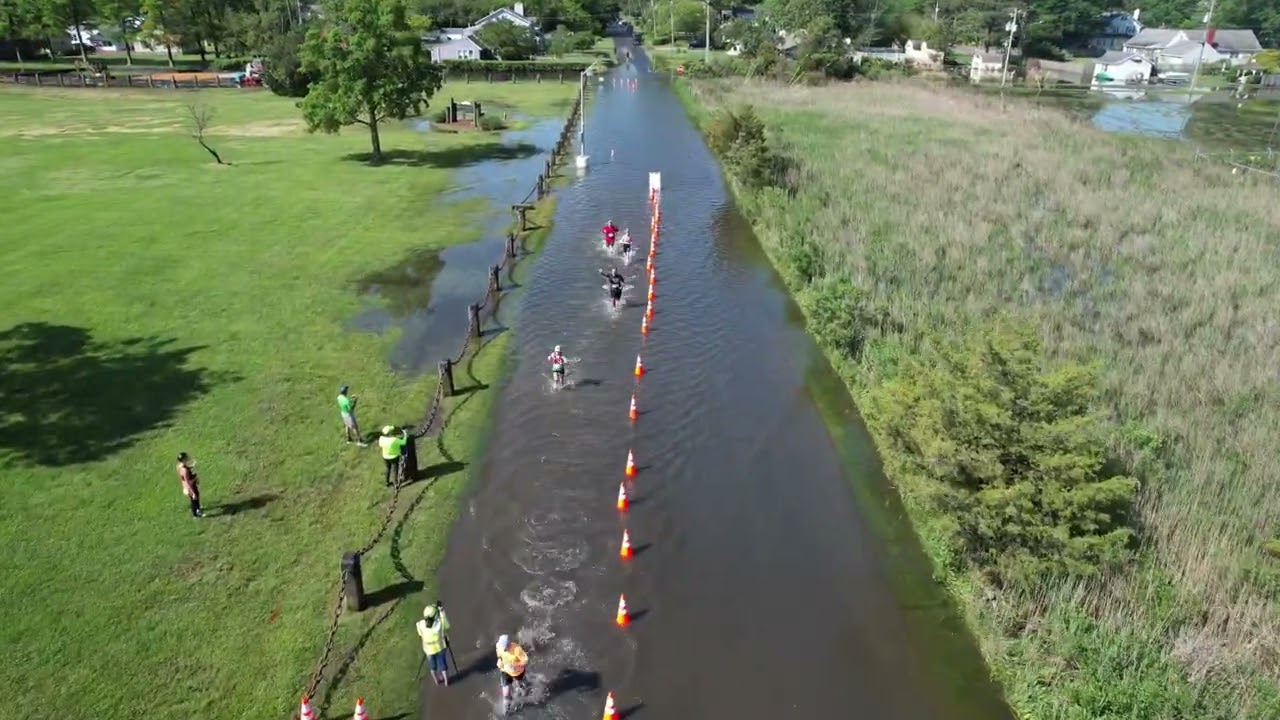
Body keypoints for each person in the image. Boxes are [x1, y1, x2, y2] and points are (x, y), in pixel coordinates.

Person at [416, 602, 452, 686]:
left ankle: (437, 681)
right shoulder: (440, 623)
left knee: (432, 667)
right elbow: (447, 626)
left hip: (428, 651)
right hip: (440, 648)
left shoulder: (420, 624)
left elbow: (420, 634)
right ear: (436, 616)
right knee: (443, 666)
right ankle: (447, 682)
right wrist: (442, 611)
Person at [496, 634, 529, 713]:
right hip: (505, 671)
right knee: (506, 694)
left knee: (522, 686)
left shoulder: (517, 649)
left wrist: (515, 665)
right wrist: (500, 660)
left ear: (509, 644)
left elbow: (525, 661)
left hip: (517, 672)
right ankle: (507, 708)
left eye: (505, 648)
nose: (504, 650)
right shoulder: (499, 646)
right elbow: (499, 653)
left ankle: (525, 688)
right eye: (502, 648)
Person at [176, 452, 204, 518]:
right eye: (186, 457)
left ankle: (197, 508)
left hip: (185, 486)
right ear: (183, 459)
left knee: (194, 499)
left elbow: (184, 474)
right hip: (190, 487)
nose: (188, 457)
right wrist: (193, 492)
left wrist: (191, 466)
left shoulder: (179, 466)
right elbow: (188, 481)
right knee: (194, 499)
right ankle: (196, 513)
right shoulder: (185, 471)